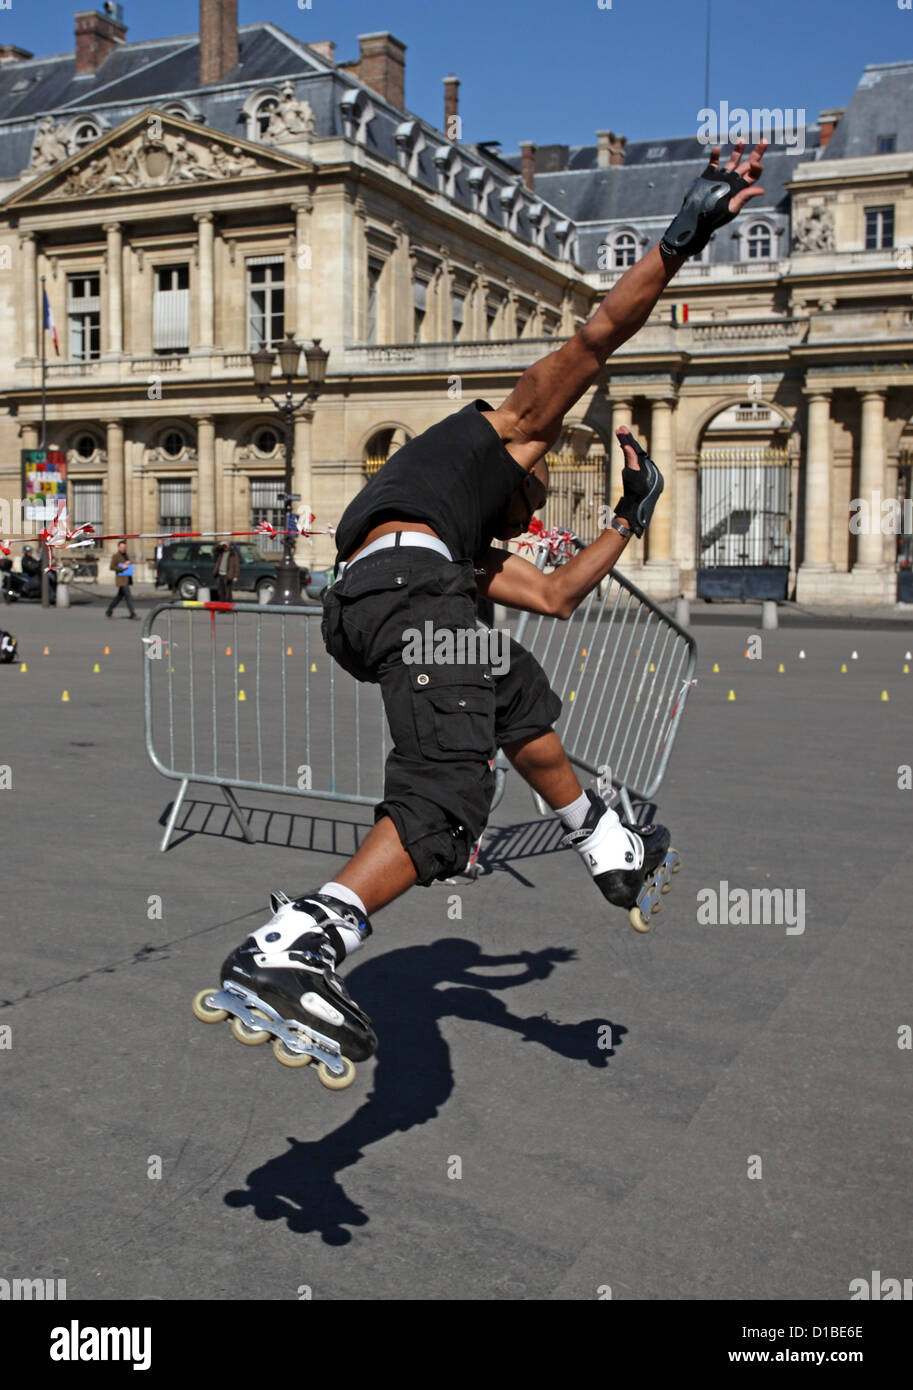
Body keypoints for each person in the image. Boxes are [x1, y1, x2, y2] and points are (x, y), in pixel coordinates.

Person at [204, 139, 767, 1074]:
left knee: (510, 688)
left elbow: (552, 595)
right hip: (403, 598)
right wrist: (682, 236)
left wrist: (630, 517)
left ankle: (603, 839)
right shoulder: (491, 437)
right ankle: (294, 945)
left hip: (373, 601)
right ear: (511, 464)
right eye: (538, 489)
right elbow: (596, 340)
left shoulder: (453, 539)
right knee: (447, 797)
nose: (540, 502)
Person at [105, 540, 137, 619]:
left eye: (124, 547)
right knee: (128, 596)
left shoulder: (126, 555)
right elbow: (112, 567)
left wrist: (129, 563)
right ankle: (133, 614)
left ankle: (109, 610)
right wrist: (121, 567)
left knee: (119, 597)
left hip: (127, 579)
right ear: (118, 547)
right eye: (122, 547)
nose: (123, 548)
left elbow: (128, 564)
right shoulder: (116, 556)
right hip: (121, 580)